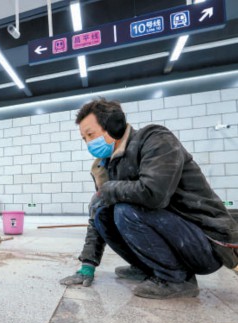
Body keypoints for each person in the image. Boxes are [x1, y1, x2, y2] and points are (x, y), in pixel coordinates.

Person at [60, 97, 238, 299]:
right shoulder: (108, 164)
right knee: (104, 213)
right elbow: (97, 215)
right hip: (180, 236)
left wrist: (109, 189)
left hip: (207, 242)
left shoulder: (156, 139)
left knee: (125, 211)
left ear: (114, 126)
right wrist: (87, 265)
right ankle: (148, 267)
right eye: (84, 139)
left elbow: (154, 194)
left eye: (91, 134)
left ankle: (176, 279)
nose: (89, 143)